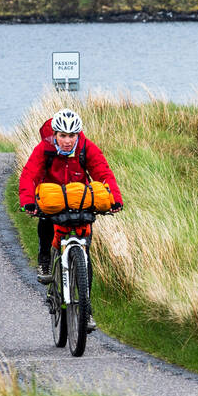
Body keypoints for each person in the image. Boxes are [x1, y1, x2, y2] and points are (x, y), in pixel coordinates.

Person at [17, 110, 123, 321]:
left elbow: (103, 173)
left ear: (78, 134)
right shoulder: (45, 149)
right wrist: (28, 201)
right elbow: (29, 175)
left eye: (72, 135)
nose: (67, 141)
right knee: (45, 219)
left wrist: (115, 199)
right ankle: (45, 258)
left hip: (78, 199)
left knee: (85, 256)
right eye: (62, 135)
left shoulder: (86, 148)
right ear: (55, 134)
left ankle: (86, 310)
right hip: (53, 199)